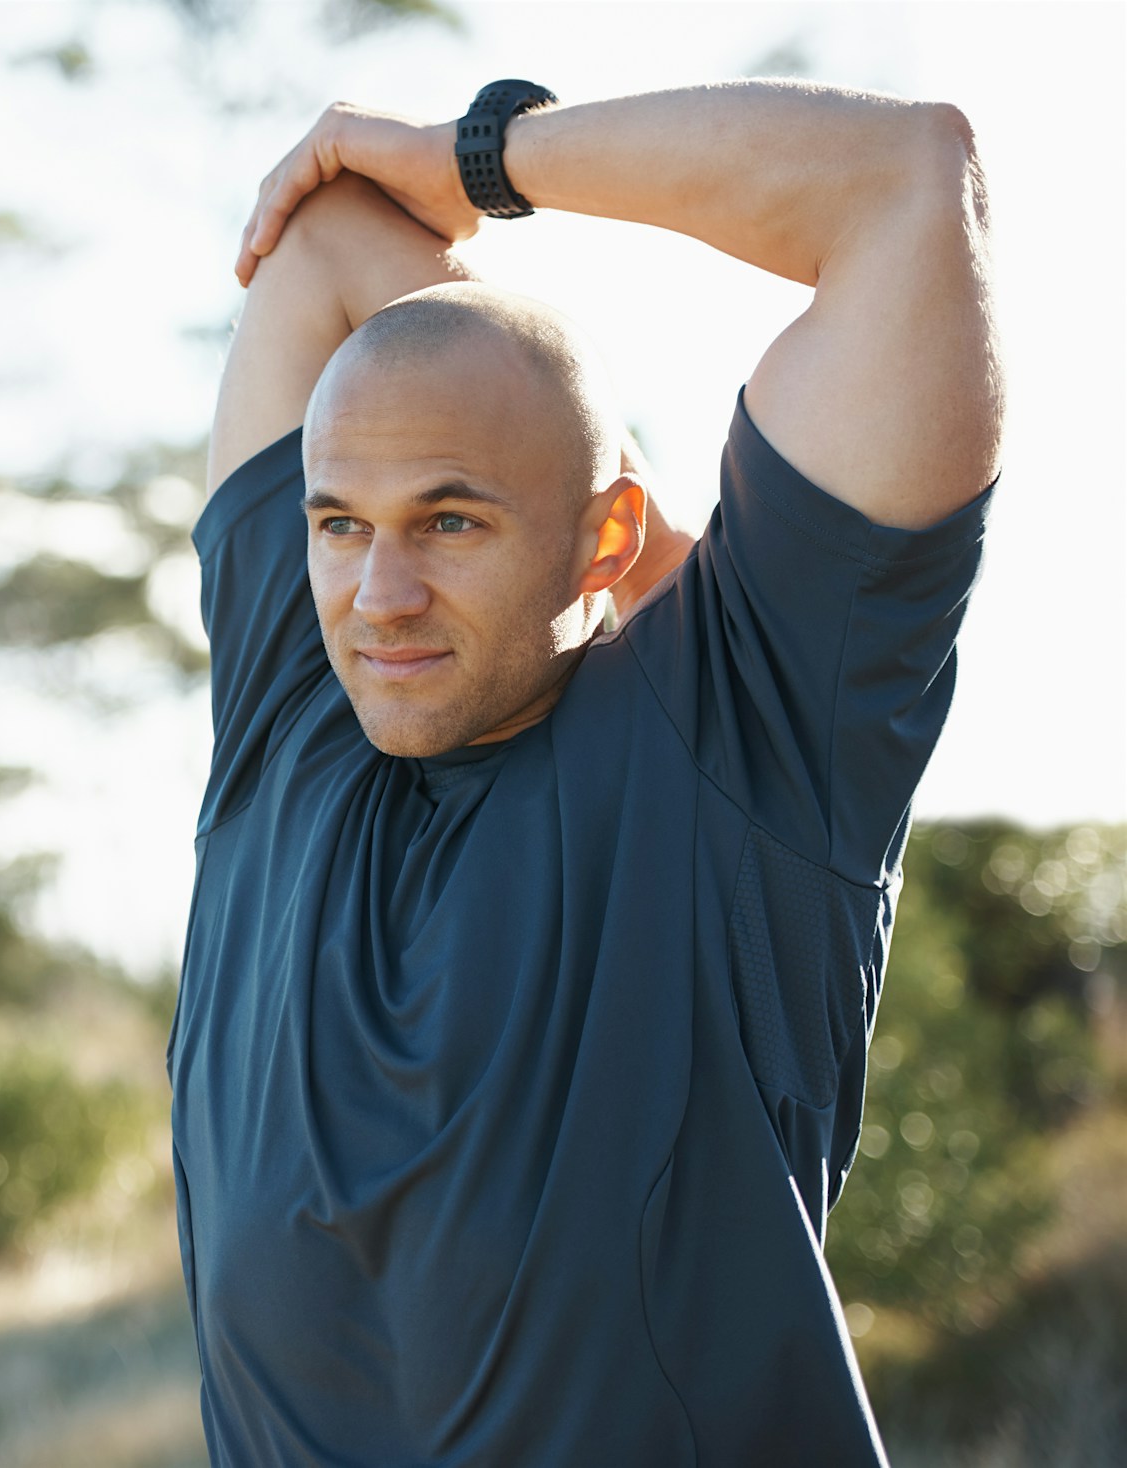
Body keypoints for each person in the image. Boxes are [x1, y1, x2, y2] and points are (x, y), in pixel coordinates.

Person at [169, 77, 1001, 1466]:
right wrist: (597, 515)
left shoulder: (743, 751)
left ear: (605, 537)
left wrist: (475, 158)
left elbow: (909, 180)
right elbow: (318, 247)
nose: (378, 595)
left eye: (451, 520)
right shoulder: (286, 728)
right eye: (338, 523)